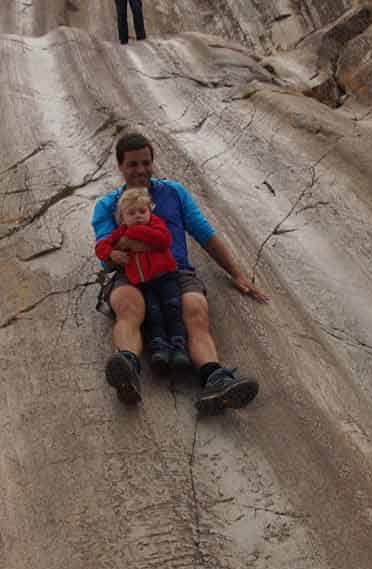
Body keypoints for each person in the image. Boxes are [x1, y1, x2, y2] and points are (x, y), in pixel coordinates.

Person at [92, 131, 268, 414]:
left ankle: (215, 378)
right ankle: (127, 369)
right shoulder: (107, 206)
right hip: (133, 274)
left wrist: (236, 273)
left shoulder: (173, 192)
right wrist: (119, 248)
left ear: (153, 162)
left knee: (195, 309)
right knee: (128, 305)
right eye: (133, 164)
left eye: (146, 163)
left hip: (175, 271)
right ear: (120, 166)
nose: (141, 170)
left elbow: (203, 233)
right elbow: (106, 257)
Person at [94, 188, 192, 373]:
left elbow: (164, 240)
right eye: (131, 213)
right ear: (122, 218)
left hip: (166, 278)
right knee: (152, 314)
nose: (138, 216)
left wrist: (135, 233)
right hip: (143, 283)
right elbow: (100, 247)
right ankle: (159, 349)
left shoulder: (155, 224)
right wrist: (112, 252)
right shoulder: (121, 233)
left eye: (142, 211)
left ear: (150, 211)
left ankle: (180, 349)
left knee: (172, 310)